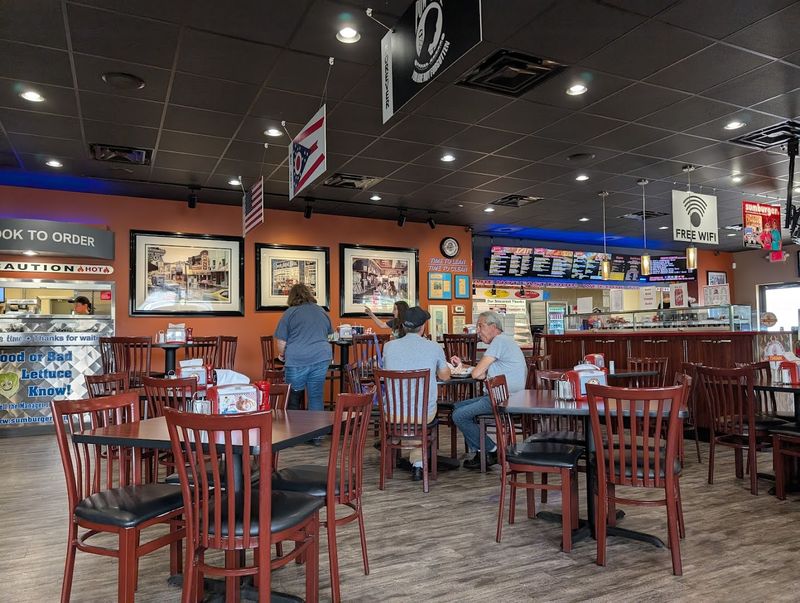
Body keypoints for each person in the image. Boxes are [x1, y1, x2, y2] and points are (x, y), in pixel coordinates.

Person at [451, 310, 527, 469]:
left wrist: (473, 371)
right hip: (506, 396)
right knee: (457, 407)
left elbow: (477, 374)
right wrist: (462, 366)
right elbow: (482, 372)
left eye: (481, 326)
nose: (478, 331)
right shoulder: (505, 341)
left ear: (494, 327)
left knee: (459, 415)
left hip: (503, 399)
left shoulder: (499, 341)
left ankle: (491, 449)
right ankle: (481, 452)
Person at [382, 306, 451, 481]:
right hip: (423, 415)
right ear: (423, 326)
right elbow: (445, 376)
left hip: (393, 414)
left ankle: (400, 446)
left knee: (408, 412)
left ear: (403, 326)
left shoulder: (388, 347)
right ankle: (419, 465)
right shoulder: (434, 347)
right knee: (419, 413)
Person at [275, 284, 333, 437]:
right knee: (316, 395)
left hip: (297, 358)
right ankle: (317, 435)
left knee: (294, 395)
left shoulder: (290, 312)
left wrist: (282, 355)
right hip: (321, 357)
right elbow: (329, 334)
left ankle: (294, 434)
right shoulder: (321, 311)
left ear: (292, 297)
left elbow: (281, 341)